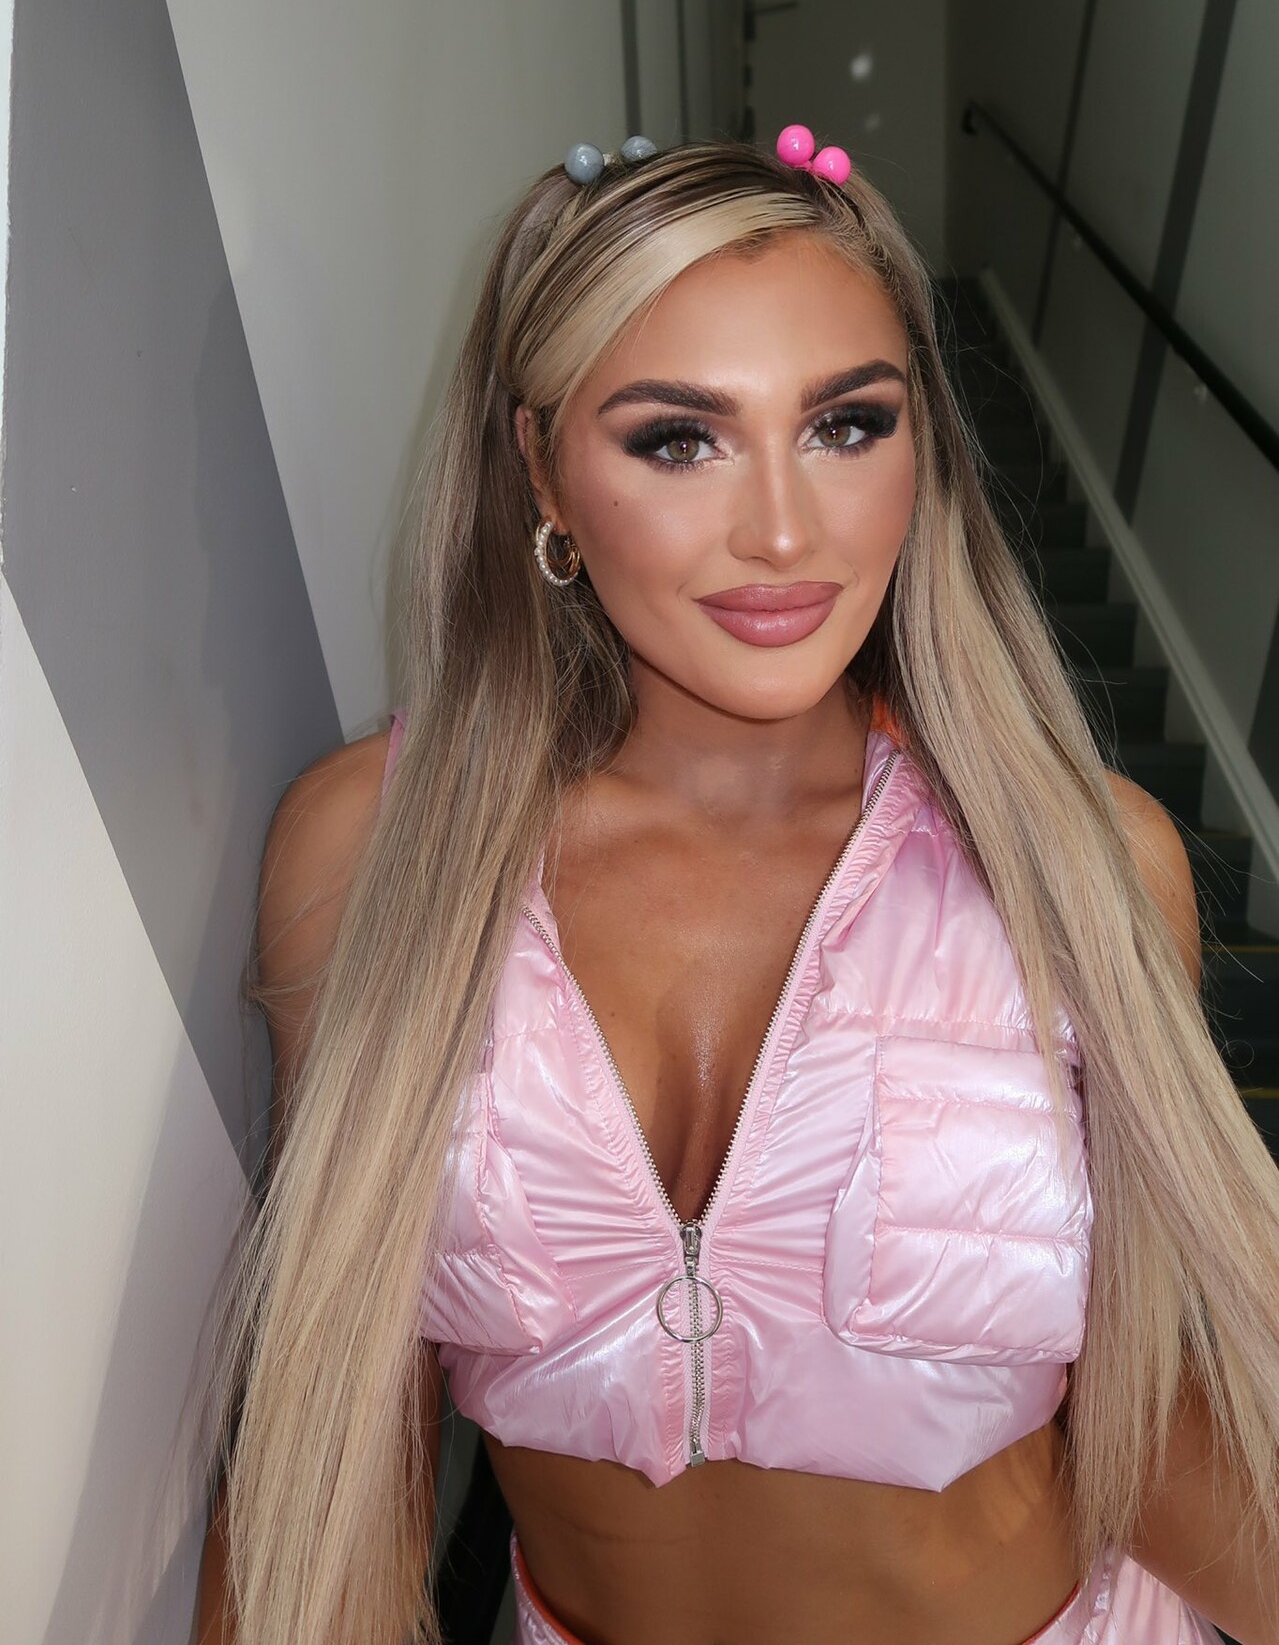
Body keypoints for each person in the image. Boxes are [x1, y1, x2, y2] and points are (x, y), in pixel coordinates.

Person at [195, 130, 1279, 1645]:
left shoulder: (1084, 865)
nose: (783, 529)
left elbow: (1146, 1418)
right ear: (540, 469)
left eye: (846, 425)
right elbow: (333, 1447)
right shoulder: (370, 854)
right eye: (678, 440)